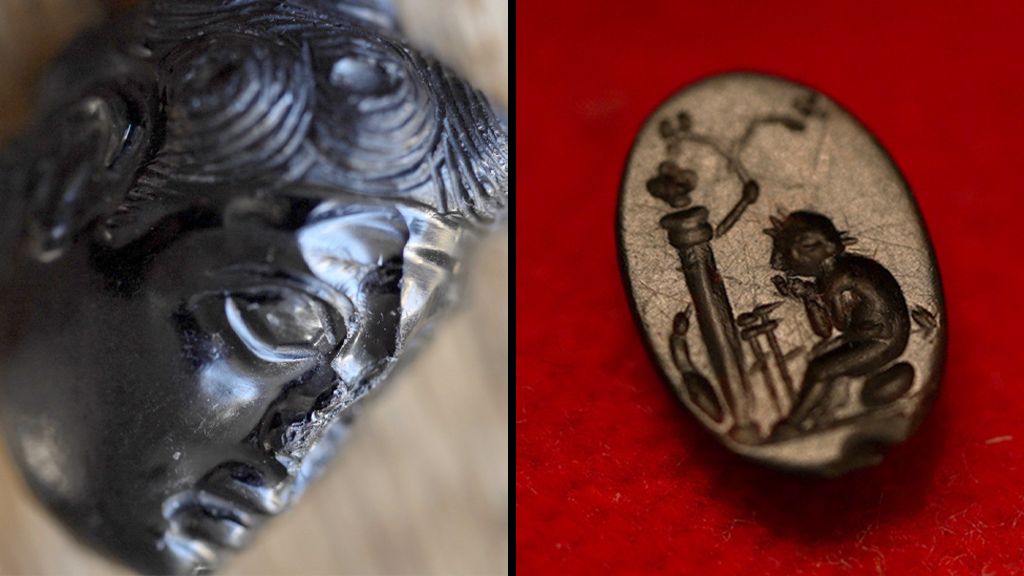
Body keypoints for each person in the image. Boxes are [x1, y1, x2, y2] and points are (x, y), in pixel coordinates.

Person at [766, 211, 910, 433]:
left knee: (820, 370)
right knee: (823, 359)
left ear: (828, 247)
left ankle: (793, 424)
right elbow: (825, 330)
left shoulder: (838, 277)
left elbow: (838, 325)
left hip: (881, 340)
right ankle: (821, 415)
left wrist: (810, 296)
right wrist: (808, 297)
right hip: (871, 337)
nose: (783, 259)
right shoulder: (836, 273)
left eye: (799, 248)